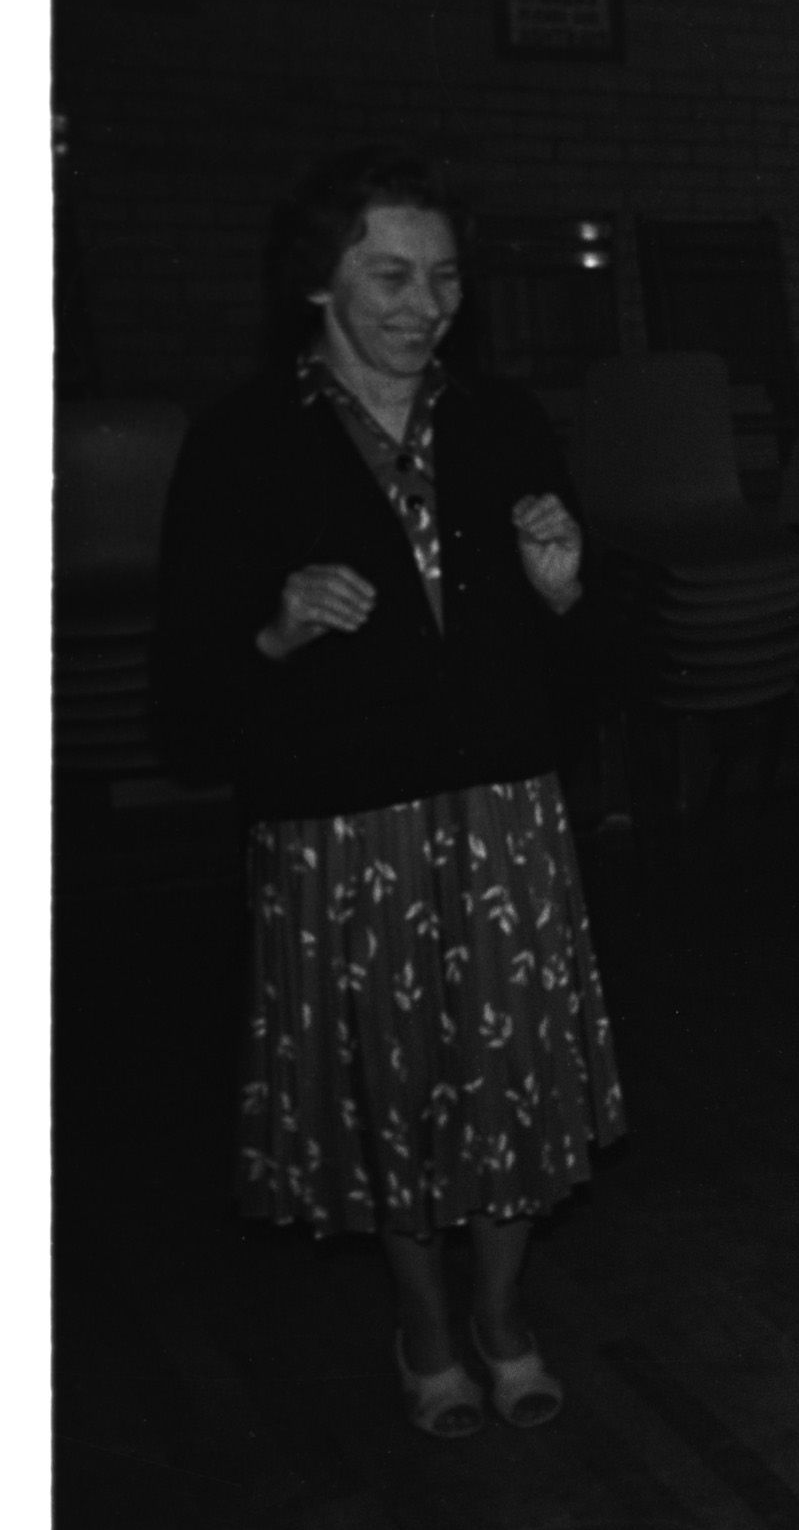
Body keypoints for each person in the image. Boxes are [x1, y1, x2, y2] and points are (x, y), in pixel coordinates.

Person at [153, 145, 625, 1438]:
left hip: (502, 804)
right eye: (392, 275)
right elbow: (183, 701)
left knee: (513, 1078)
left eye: (445, 277)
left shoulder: (504, 423)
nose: (425, 304)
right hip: (340, 819)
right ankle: (424, 1324)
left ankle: (506, 1313)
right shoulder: (244, 441)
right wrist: (275, 632)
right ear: (320, 284)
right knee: (386, 1090)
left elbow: (588, 667)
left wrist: (566, 585)